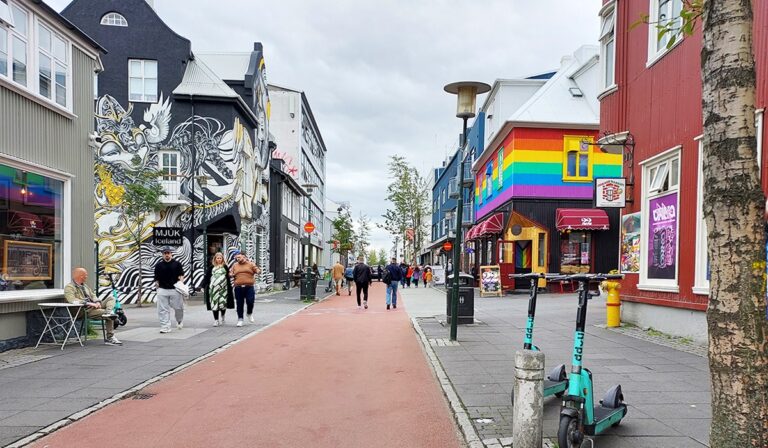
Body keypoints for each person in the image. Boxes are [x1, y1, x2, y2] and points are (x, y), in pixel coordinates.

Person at [64, 267, 121, 345]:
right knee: (109, 315)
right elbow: (72, 300)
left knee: (111, 298)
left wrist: (97, 302)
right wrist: (89, 303)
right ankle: (110, 338)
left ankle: (109, 311)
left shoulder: (85, 286)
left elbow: (93, 295)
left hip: (94, 307)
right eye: (86, 275)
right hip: (84, 310)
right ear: (81, 276)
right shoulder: (69, 287)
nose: (87, 276)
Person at [154, 247, 185, 333]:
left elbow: (181, 275)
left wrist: (181, 284)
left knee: (178, 308)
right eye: (165, 253)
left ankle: (179, 320)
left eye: (168, 253)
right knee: (162, 309)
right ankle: (165, 326)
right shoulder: (158, 265)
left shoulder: (177, 264)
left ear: (171, 254)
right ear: (163, 255)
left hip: (175, 289)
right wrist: (157, 288)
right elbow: (156, 278)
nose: (167, 255)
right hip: (162, 289)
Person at [203, 252, 234, 326]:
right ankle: (216, 320)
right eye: (218, 258)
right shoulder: (211, 267)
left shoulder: (225, 267)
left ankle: (223, 315)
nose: (219, 259)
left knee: (223, 304)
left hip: (224, 289)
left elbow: (228, 276)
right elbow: (207, 277)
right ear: (215, 259)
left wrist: (231, 275)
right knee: (214, 304)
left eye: (220, 258)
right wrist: (203, 286)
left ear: (222, 259)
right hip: (213, 289)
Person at [230, 251, 261, 327]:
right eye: (236, 257)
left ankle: (249, 313)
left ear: (244, 257)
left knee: (250, 301)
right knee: (239, 303)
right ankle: (240, 319)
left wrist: (258, 271)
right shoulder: (235, 265)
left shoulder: (251, 264)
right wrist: (231, 274)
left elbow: (256, 269)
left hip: (249, 286)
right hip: (238, 287)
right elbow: (230, 272)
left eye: (239, 257)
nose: (237, 259)